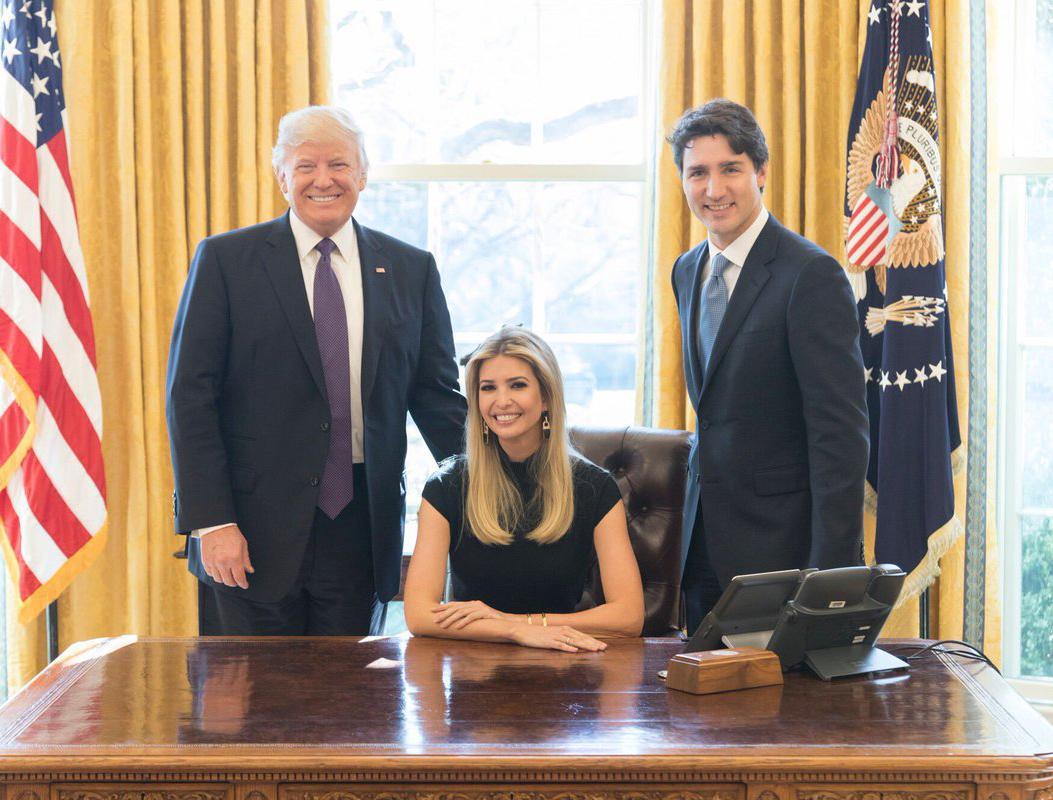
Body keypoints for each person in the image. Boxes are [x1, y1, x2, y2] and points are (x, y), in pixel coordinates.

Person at [166, 105, 467, 636]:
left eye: (339, 164)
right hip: (247, 531)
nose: (323, 180)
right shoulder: (225, 261)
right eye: (305, 166)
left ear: (364, 174)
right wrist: (212, 522)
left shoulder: (410, 269)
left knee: (352, 708)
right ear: (281, 176)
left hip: (361, 525)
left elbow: (436, 397)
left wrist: (497, 484)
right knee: (245, 712)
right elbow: (190, 398)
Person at [667, 99, 869, 633]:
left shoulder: (810, 275)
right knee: (705, 707)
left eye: (730, 169)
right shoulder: (686, 270)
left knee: (781, 711)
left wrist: (833, 574)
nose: (714, 190)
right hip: (702, 544)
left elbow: (840, 433)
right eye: (698, 173)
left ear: (760, 172)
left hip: (784, 551)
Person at [403, 327, 644, 651]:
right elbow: (419, 616)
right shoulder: (447, 486)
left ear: (546, 396)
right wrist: (513, 632)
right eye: (488, 388)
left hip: (566, 667)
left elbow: (629, 617)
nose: (502, 401)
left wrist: (517, 623)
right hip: (472, 672)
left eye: (517, 385)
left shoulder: (594, 487)